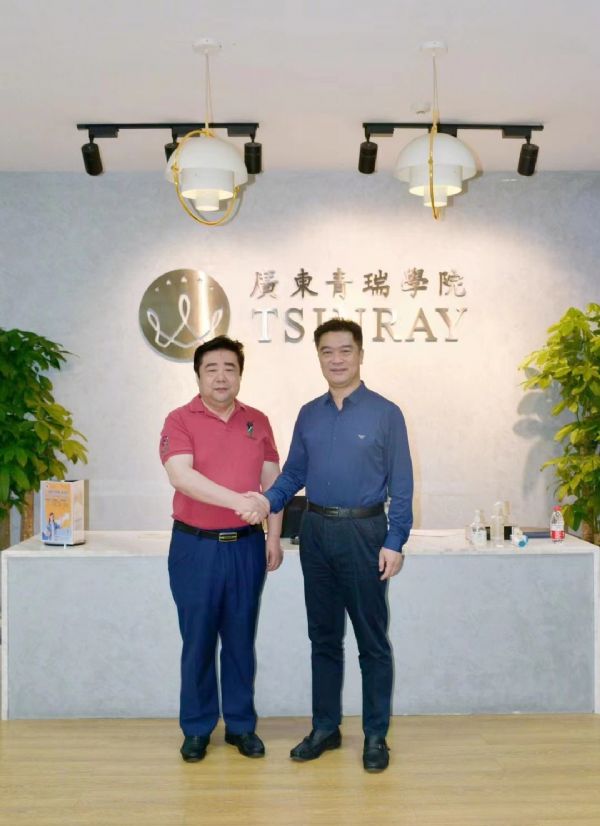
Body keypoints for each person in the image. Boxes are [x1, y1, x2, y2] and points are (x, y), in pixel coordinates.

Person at [240, 318, 413, 772]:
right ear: (318, 356)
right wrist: (267, 500)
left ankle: (375, 736)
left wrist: (395, 540)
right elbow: (294, 474)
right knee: (323, 637)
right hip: (315, 532)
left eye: (345, 350)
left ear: (360, 355)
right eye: (327, 352)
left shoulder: (386, 413)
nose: (336, 360)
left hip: (365, 533)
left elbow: (402, 485)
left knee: (372, 642)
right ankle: (325, 727)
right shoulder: (309, 414)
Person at [160, 335, 283, 763]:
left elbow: (274, 483)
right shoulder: (179, 420)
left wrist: (272, 536)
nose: (221, 376)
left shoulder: (258, 421)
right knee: (197, 640)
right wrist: (242, 503)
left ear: (240, 375)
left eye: (230, 368)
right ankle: (196, 728)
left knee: (240, 639)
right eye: (211, 368)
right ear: (198, 375)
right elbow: (181, 476)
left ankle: (241, 726)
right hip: (195, 547)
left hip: (246, 548)